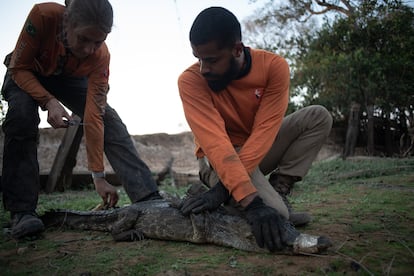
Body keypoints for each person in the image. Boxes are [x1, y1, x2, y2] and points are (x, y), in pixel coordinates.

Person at [1, 0, 161, 240]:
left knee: (110, 120)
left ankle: (149, 199)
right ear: (68, 23)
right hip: (26, 71)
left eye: (98, 41)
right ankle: (22, 212)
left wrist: (98, 176)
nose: (90, 49)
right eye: (84, 39)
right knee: (22, 116)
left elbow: (95, 116)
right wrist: (49, 101)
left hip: (66, 78)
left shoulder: (101, 56)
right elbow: (19, 67)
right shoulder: (43, 15)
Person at [178, 7, 333, 251]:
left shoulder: (273, 67)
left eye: (211, 60)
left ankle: (278, 190)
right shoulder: (190, 81)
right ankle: (256, 202)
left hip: (256, 149)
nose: (203, 69)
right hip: (219, 157)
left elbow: (265, 132)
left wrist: (224, 190)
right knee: (276, 216)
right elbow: (216, 144)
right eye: (198, 58)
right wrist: (253, 203)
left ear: (237, 49)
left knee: (318, 116)